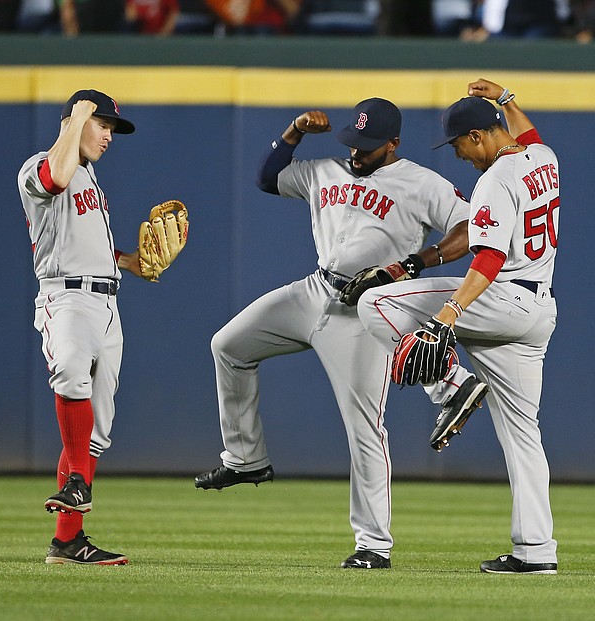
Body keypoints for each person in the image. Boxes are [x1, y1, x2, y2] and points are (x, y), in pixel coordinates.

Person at [194, 97, 471, 569]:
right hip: (314, 290)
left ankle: (373, 546)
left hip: (365, 313)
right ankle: (245, 458)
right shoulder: (324, 170)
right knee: (229, 345)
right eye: (353, 143)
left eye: (367, 147)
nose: (357, 154)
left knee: (364, 426)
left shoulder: (423, 183)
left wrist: (417, 262)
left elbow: (469, 229)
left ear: (393, 144)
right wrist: (294, 131)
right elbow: (267, 178)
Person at [357, 79, 560, 574]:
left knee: (375, 303)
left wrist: (448, 315)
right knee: (523, 435)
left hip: (502, 296)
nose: (461, 157)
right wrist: (507, 96)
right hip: (539, 311)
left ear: (476, 135)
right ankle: (536, 553)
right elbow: (527, 134)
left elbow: (487, 256)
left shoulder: (494, 180)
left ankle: (452, 387)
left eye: (460, 146)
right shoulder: (543, 158)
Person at [17, 89, 142, 565]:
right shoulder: (38, 166)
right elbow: (56, 177)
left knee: (96, 435)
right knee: (69, 370)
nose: (108, 136)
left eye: (112, 129)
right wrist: (77, 119)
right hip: (65, 297)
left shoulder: (91, 179)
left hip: (107, 302)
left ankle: (68, 541)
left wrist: (128, 262)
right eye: (102, 124)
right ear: (76, 120)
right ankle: (75, 485)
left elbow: (85, 246)